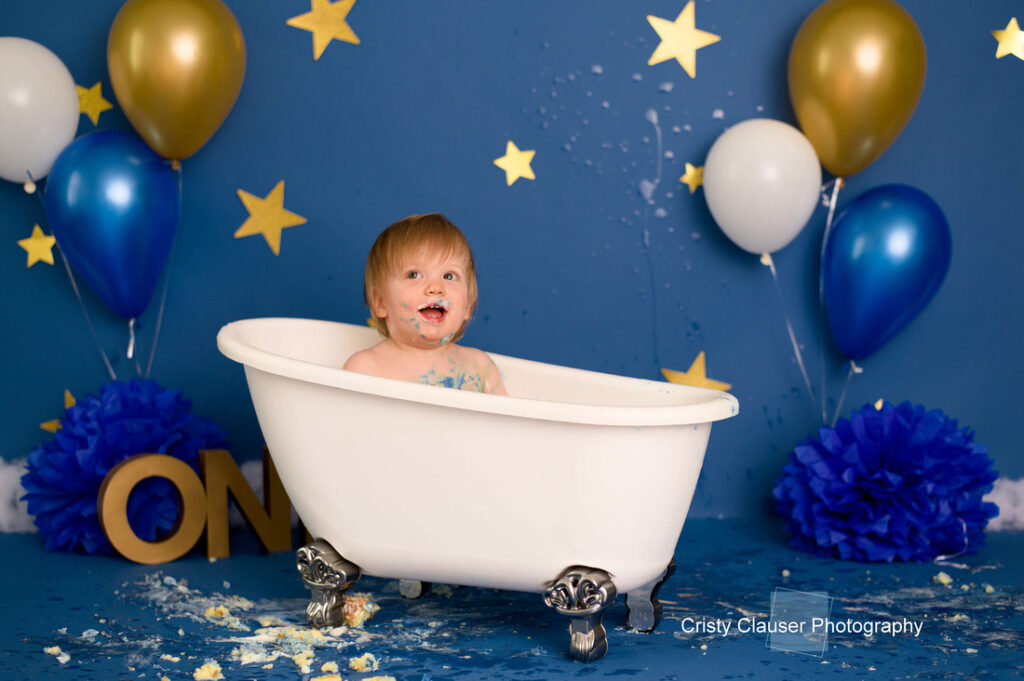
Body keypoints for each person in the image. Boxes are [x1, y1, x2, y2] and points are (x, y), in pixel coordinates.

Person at [343, 213, 507, 395]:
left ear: (468, 304)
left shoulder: (479, 368)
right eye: (414, 275)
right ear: (381, 302)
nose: (436, 288)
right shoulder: (365, 369)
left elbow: (506, 421)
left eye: (449, 276)